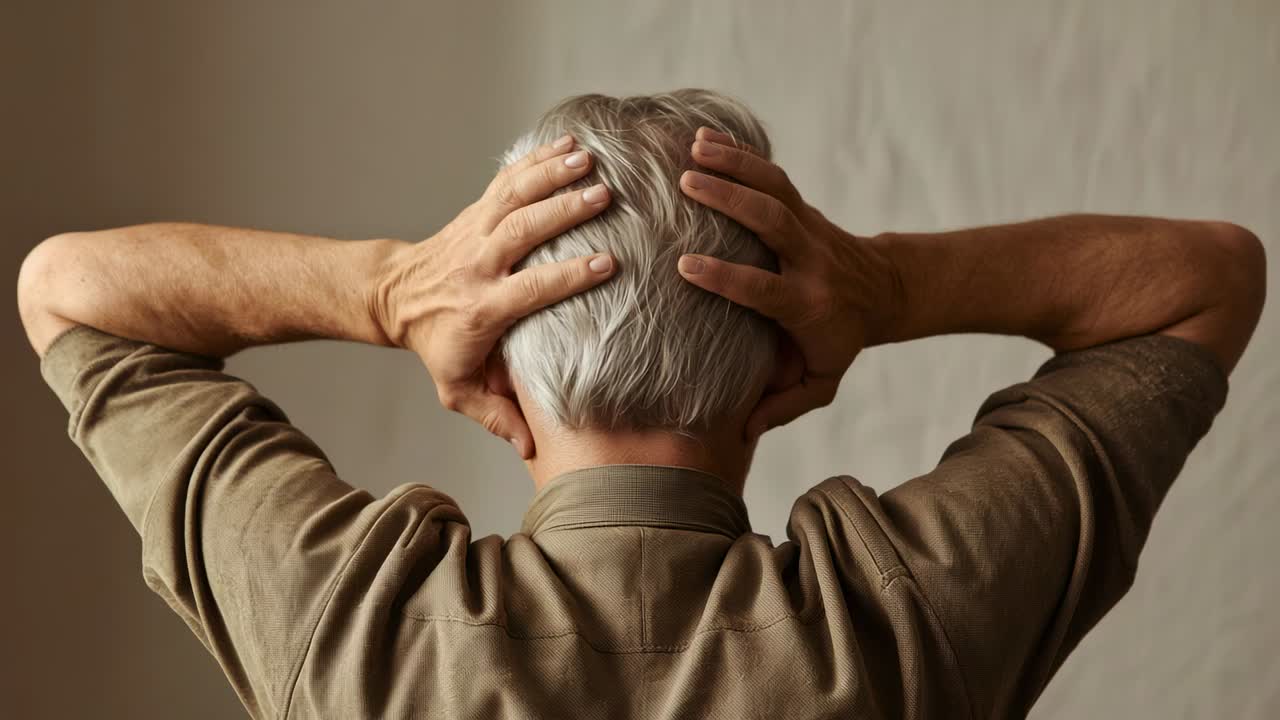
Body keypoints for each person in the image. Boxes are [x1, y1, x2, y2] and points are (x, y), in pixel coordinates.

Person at [17, 89, 1265, 719]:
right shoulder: (899, 624)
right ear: (787, 366)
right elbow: (1204, 279)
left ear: (493, 368)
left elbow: (69, 290)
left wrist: (396, 291)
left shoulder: (355, 627)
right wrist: (883, 285)